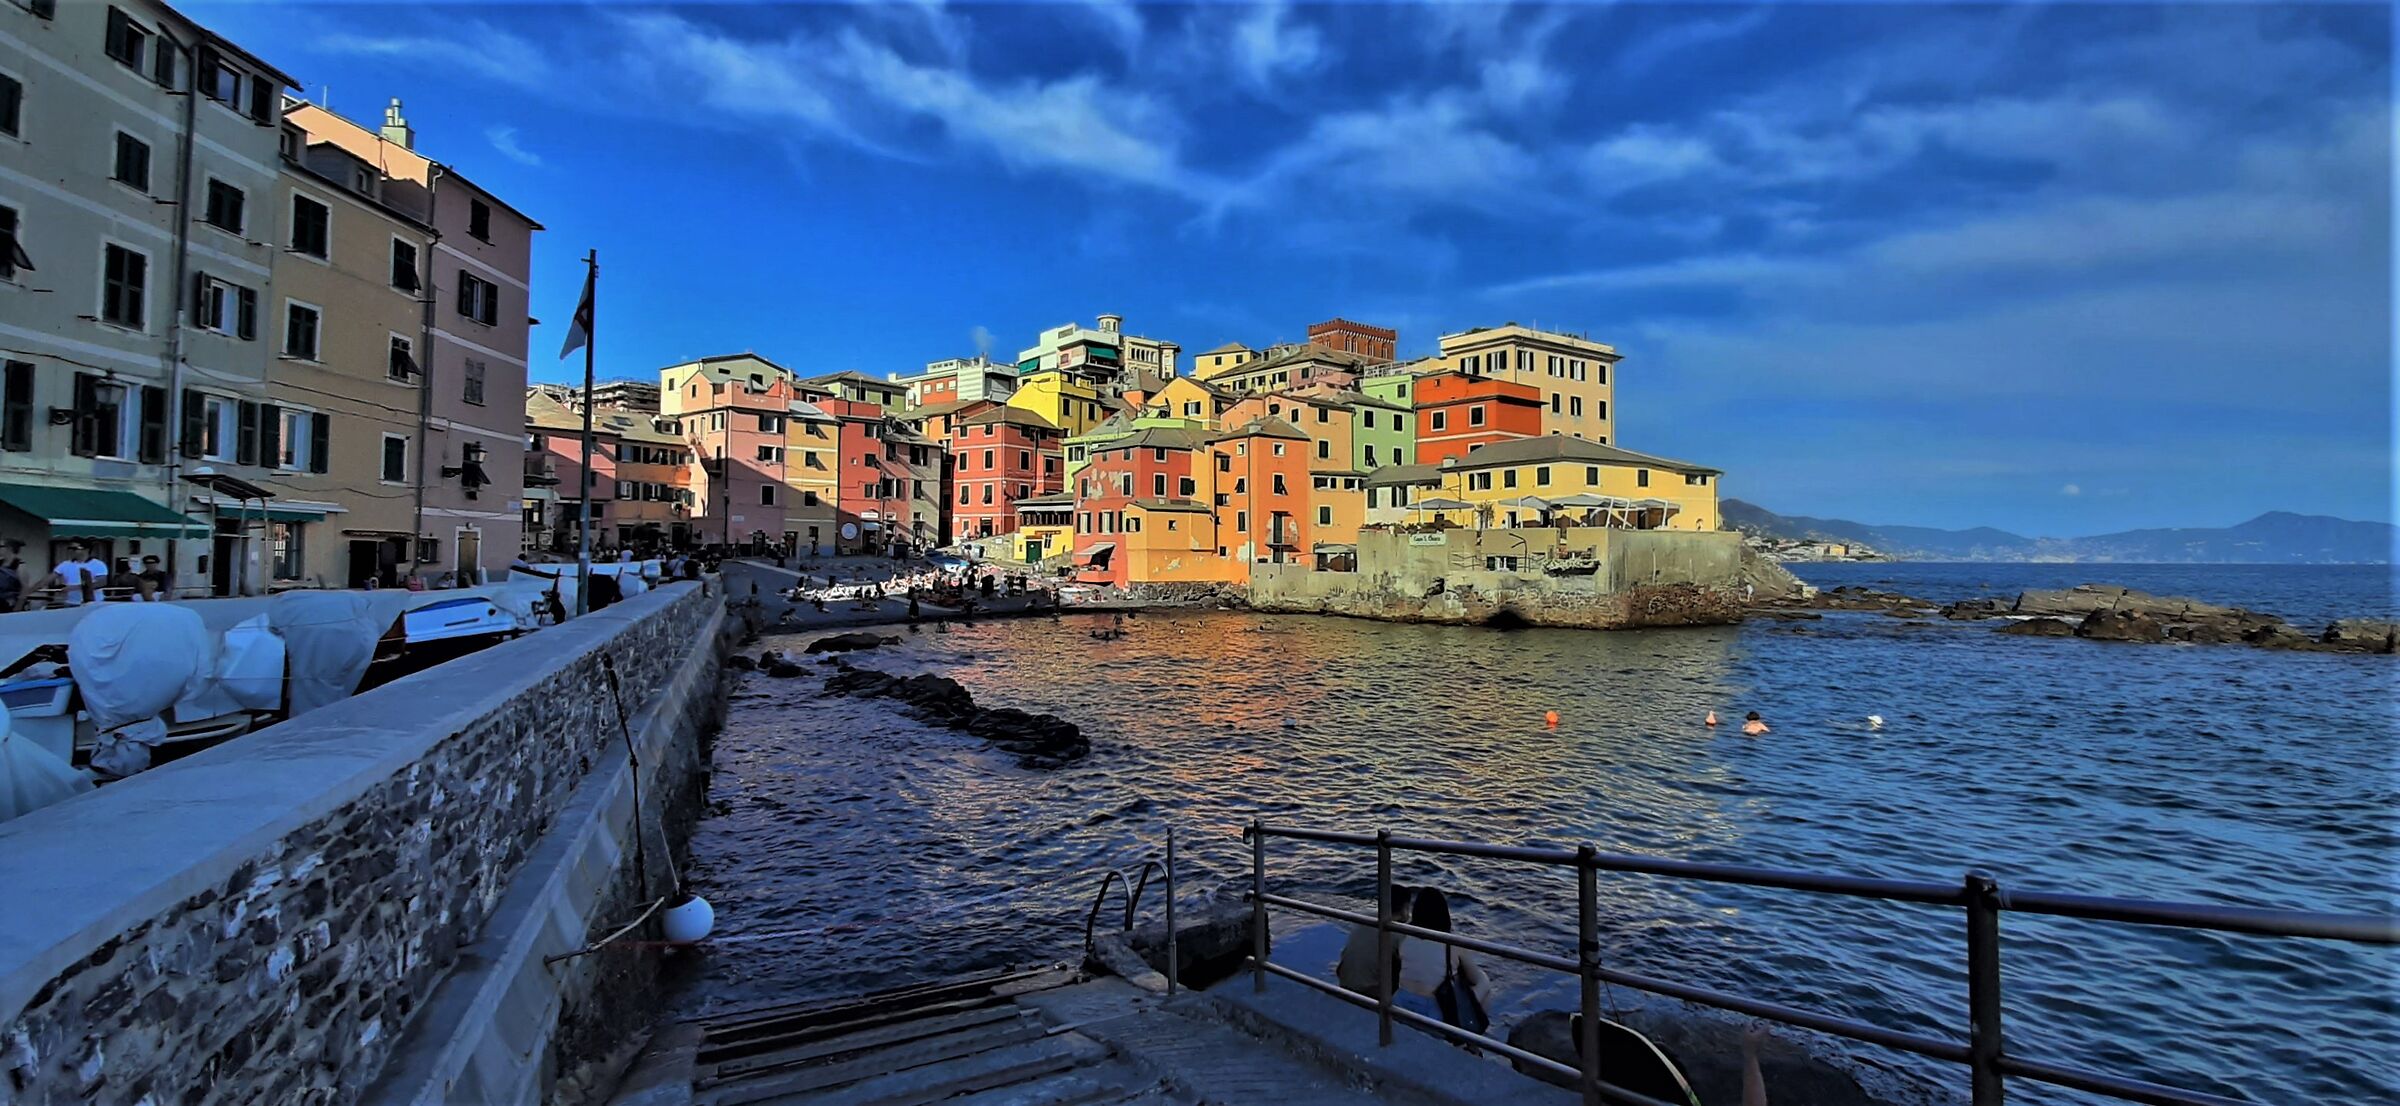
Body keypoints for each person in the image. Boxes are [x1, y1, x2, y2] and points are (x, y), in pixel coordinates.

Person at [1395, 888, 1493, 1035]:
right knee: (1485, 985)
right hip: (1433, 1015)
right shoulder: (1451, 943)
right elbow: (1477, 978)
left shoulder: (1404, 937)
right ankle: (1473, 1041)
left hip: (1399, 1004)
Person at [1337, 884, 1414, 996]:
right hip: (1368, 991)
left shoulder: (1364, 916)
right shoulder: (1399, 934)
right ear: (1405, 907)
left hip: (1344, 982)